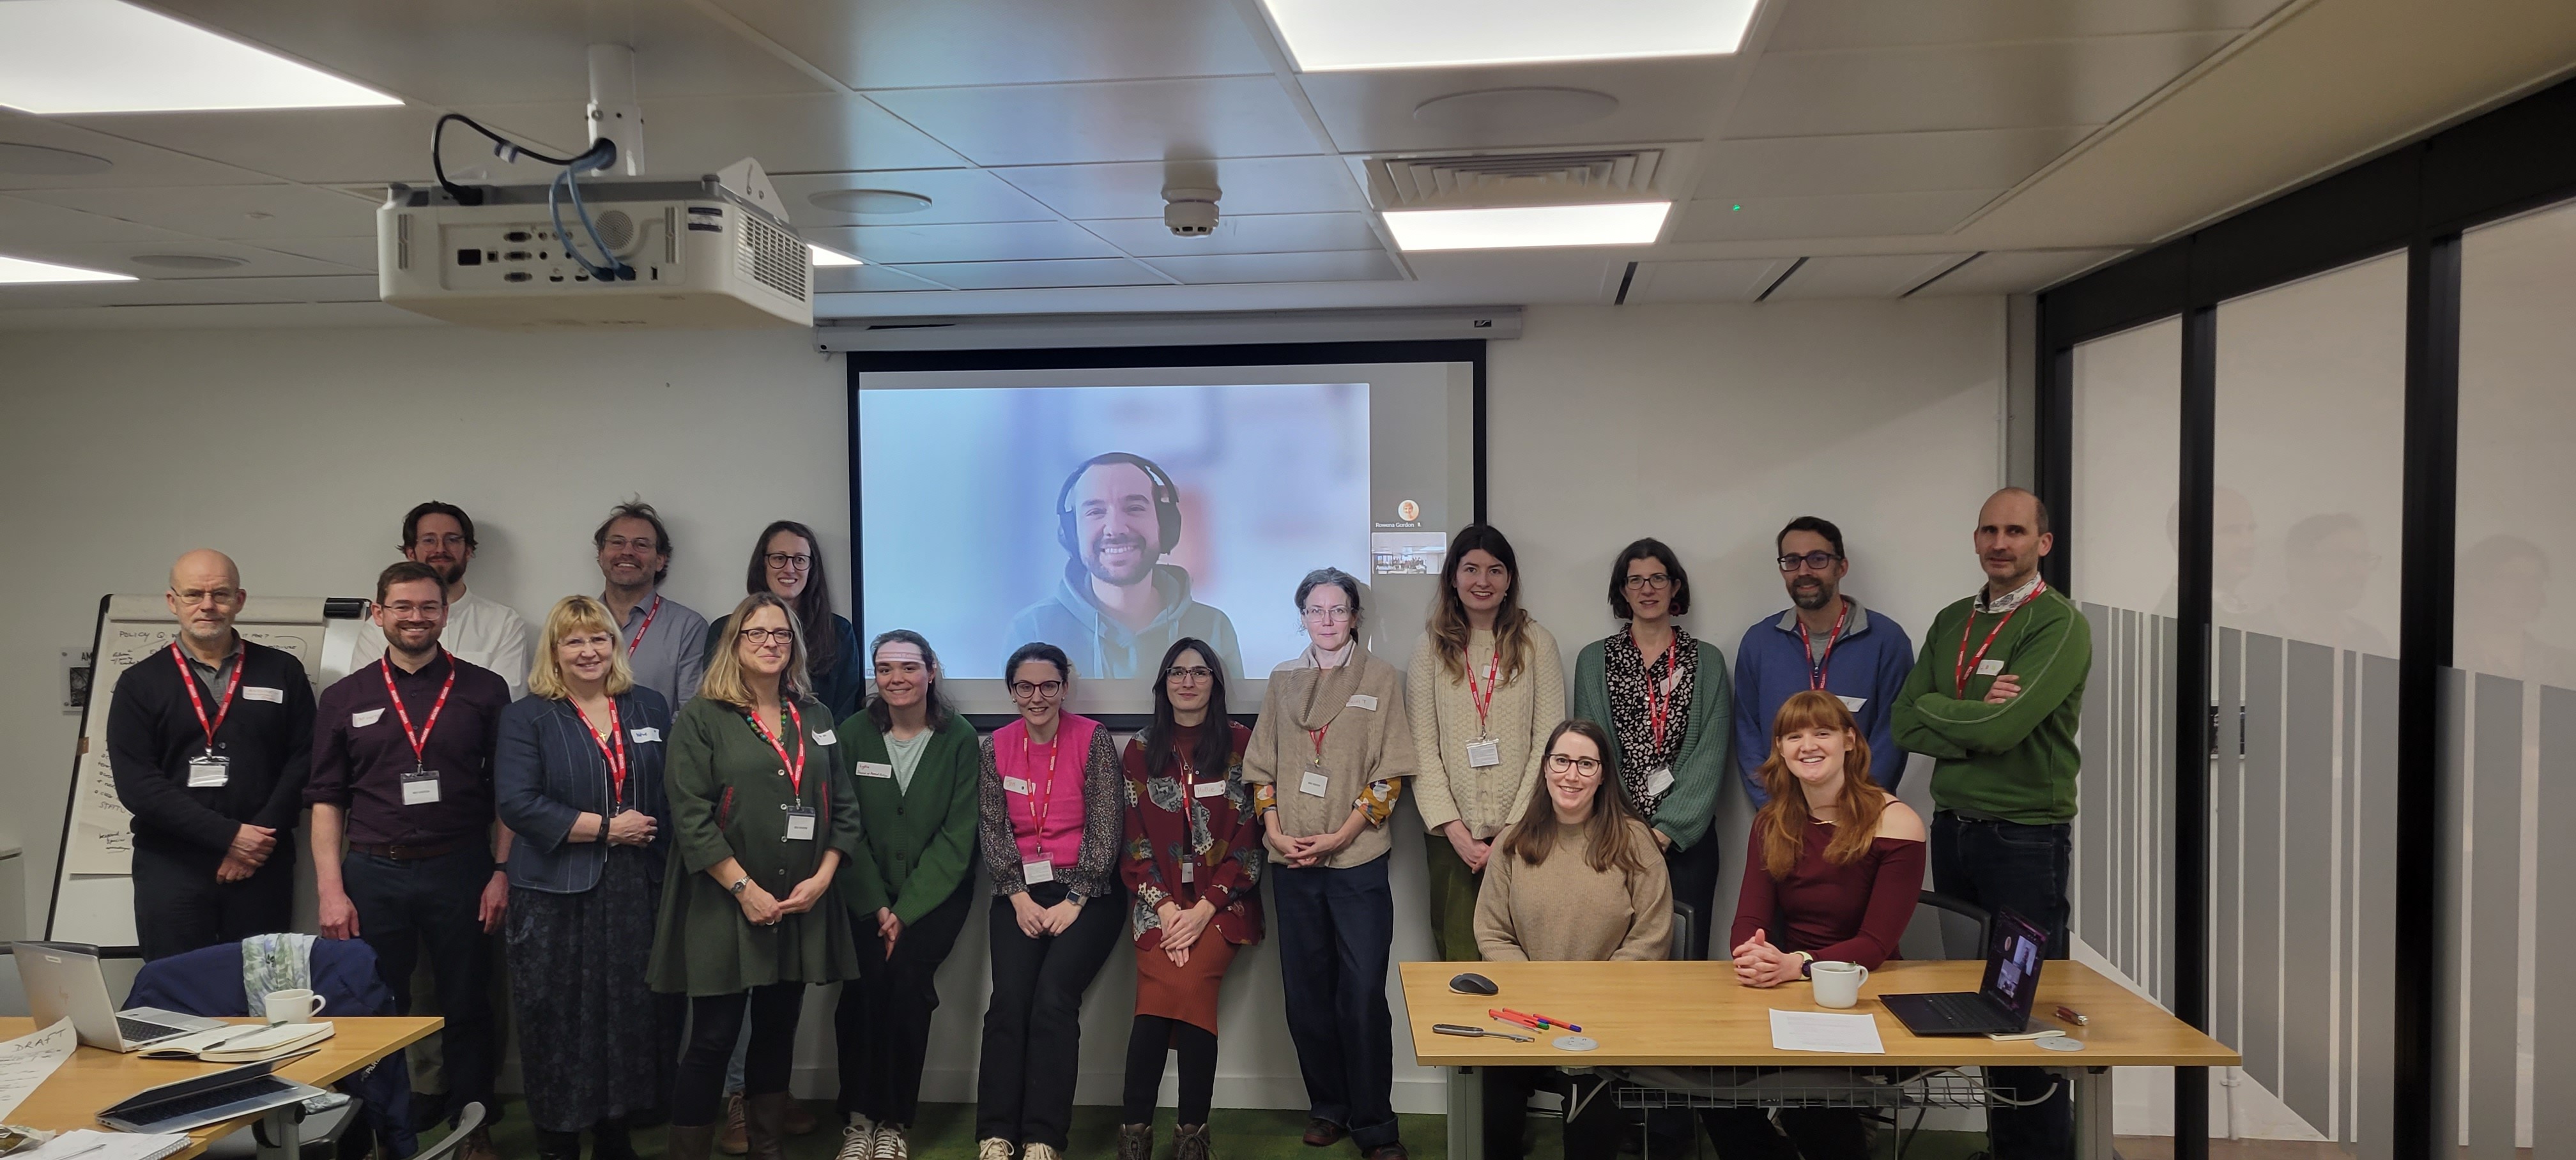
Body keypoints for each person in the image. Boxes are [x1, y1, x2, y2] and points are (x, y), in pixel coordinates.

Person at [1891, 486, 2092, 1160]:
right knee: (1977, 1003)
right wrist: (1974, 703)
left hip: (2024, 838)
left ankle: (2040, 1154)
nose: (1999, 543)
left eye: (2014, 530)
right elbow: (1901, 719)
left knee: (2023, 1006)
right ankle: (2006, 1147)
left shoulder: (2059, 624)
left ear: (2044, 543)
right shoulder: (1953, 619)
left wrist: (1946, 708)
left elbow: (2007, 728)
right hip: (1956, 831)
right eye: (1987, 530)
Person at [306, 561, 513, 1160]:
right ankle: (379, 1132)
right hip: (372, 873)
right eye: (402, 606)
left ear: (445, 614)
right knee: (374, 1010)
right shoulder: (346, 697)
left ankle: (473, 1130)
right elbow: (325, 800)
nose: (416, 617)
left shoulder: (483, 690)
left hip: (462, 869)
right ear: (379, 613)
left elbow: (507, 795)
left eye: (428, 606)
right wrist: (330, 890)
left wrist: (501, 873)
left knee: (469, 1004)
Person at [650, 592, 862, 1160]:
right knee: (714, 1038)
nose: (771, 644)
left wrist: (822, 878)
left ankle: (767, 1149)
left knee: (777, 1032)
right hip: (722, 899)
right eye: (756, 634)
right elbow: (689, 814)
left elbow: (843, 805)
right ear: (734, 644)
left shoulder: (814, 716)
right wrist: (743, 888)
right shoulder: (702, 716)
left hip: (798, 899)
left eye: (781, 634)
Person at [494, 597, 676, 1160]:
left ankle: (614, 1130)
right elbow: (518, 804)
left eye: (598, 639)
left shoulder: (648, 707)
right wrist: (604, 829)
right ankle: (557, 1135)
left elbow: (667, 795)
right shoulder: (526, 717)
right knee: (555, 1015)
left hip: (634, 889)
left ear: (614, 647)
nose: (589, 650)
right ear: (554, 652)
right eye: (574, 641)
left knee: (626, 1014)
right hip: (553, 892)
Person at [1243, 567, 1414, 1160]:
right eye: (1315, 610)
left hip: (1357, 860)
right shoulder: (1282, 679)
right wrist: (1274, 831)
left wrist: (1340, 835)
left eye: (1337, 610)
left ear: (1355, 617)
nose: (1326, 620)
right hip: (1291, 861)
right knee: (1306, 995)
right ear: (1302, 617)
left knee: (1362, 994)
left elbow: (1390, 774)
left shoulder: (1380, 678)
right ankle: (1329, 1108)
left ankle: (1376, 1125)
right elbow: (1260, 769)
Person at [1713, 691, 1926, 1160]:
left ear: (1850, 741)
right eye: (1793, 736)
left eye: (1822, 733)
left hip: (1861, 993)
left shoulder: (1896, 823)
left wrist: (1798, 965)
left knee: (1808, 1094)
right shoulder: (1772, 822)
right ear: (1781, 750)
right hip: (1786, 985)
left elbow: (1875, 944)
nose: (1808, 745)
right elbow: (1749, 918)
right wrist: (1752, 955)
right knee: (1710, 1076)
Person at [1471, 718, 1672, 1160]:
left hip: (1604, 1013)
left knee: (1590, 1136)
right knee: (1492, 1117)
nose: (1572, 774)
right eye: (1562, 760)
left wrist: (1593, 993)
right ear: (1545, 768)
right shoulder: (1513, 841)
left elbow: (1651, 935)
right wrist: (1536, 988)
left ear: (1603, 774)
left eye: (1586, 764)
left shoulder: (1634, 841)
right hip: (1525, 1011)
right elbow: (1491, 931)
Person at [109, 549, 316, 961]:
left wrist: (255, 842)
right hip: (172, 868)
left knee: (264, 997)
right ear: (173, 602)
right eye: (193, 595)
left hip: (263, 864)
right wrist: (230, 838)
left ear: (239, 600)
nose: (208, 605)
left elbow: (305, 758)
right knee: (179, 996)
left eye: (220, 594)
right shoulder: (138, 683)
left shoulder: (282, 671)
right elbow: (138, 785)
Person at [831, 631, 981, 1160]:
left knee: (907, 987)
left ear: (932, 671)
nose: (897, 678)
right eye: (885, 668)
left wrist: (905, 912)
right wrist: (877, 906)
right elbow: (844, 826)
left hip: (935, 899)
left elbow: (959, 834)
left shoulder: (960, 737)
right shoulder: (851, 734)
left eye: (909, 667)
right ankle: (857, 1118)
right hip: (861, 894)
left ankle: (894, 1121)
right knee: (862, 992)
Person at [974, 643, 1126, 1160]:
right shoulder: (995, 746)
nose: (1037, 697)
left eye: (1048, 686)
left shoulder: (1094, 739)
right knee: (1007, 1006)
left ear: (1065, 687)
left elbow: (1107, 827)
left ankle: (1043, 1137)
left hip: (1090, 894)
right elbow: (993, 830)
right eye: (1025, 686)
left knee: (1053, 1002)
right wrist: (1016, 897)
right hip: (1018, 893)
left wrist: (1076, 898)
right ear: (1011, 690)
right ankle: (996, 1132)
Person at [1116, 639, 1264, 1160]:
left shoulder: (1243, 744)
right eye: (1176, 672)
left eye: (1199, 672)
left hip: (1222, 906)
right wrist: (1166, 909)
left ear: (1215, 685)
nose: (1187, 682)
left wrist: (1202, 911)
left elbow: (1250, 839)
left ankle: (1182, 1135)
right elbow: (1131, 841)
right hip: (1156, 905)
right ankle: (1151, 1135)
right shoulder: (1139, 748)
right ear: (1163, 685)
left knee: (1184, 985)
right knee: (1160, 1001)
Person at [1406, 524, 1564, 961]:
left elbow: (1549, 745)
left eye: (1495, 570)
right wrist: (1456, 832)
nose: (1482, 581)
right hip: (1448, 839)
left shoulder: (1538, 645)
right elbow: (1422, 747)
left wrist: (1512, 830)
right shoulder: (1429, 649)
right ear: (1453, 578)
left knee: (1525, 956)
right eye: (1471, 569)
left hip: (1525, 834)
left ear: (1509, 579)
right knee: (1458, 960)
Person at [1572, 539, 1732, 959]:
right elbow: (1592, 752)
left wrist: (1663, 833)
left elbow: (1711, 754)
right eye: (1636, 580)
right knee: (1612, 956)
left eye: (1658, 578)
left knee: (1686, 957)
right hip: (1613, 838)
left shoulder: (1707, 660)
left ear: (1675, 587)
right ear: (1622, 591)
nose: (1647, 589)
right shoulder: (1594, 661)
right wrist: (1627, 829)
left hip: (1686, 842)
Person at [1008, 452, 1245, 681]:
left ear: (1165, 524)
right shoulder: (1033, 629)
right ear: (1071, 532)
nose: (1115, 528)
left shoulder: (1213, 627)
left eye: (1134, 508)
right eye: (1095, 511)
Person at [1733, 517, 1914, 805]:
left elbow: (1892, 735)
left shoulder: (1886, 641)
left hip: (1860, 818)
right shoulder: (1759, 643)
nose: (1803, 571)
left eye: (1817, 559)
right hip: (1781, 820)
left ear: (1841, 567)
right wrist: (1774, 808)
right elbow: (1748, 737)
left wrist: (1851, 809)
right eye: (1792, 560)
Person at [353, 501, 534, 701]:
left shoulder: (504, 623)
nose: (441, 549)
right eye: (429, 540)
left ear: (468, 551)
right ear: (410, 553)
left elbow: (507, 701)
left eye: (452, 540)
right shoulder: (379, 628)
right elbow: (364, 700)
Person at [707, 520, 865, 722]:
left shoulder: (839, 632)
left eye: (800, 560)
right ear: (762, 564)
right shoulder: (725, 630)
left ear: (811, 568)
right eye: (779, 558)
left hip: (819, 749)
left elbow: (845, 713)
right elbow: (716, 703)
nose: (789, 569)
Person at [596, 499, 709, 706]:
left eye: (641, 545)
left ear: (660, 561)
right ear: (601, 554)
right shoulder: (571, 624)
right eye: (617, 542)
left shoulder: (687, 627)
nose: (627, 552)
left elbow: (689, 713)